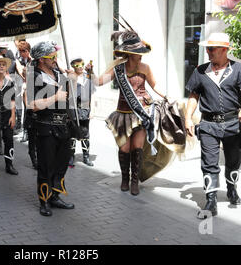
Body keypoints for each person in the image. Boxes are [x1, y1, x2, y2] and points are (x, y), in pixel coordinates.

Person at [88, 29, 167, 195]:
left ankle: (134, 181)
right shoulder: (118, 69)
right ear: (129, 54)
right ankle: (124, 178)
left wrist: (167, 95)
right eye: (138, 53)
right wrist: (90, 72)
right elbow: (99, 82)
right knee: (124, 149)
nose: (141, 56)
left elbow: (155, 85)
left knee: (137, 148)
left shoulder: (146, 68)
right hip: (122, 113)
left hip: (141, 112)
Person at [185, 32, 241, 219]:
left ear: (224, 50)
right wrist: (188, 118)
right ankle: (211, 199)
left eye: (212, 49)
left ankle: (232, 189)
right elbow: (193, 96)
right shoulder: (200, 71)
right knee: (209, 163)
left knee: (233, 161)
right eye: (207, 48)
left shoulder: (239, 69)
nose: (208, 52)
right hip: (208, 124)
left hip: (233, 123)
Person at [26, 41, 75, 217]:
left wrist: (72, 79)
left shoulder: (57, 73)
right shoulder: (33, 76)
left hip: (63, 127)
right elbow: (32, 105)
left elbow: (70, 97)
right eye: (51, 56)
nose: (55, 58)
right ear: (41, 59)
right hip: (46, 128)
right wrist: (55, 97)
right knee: (46, 166)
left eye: (55, 55)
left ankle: (55, 196)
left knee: (61, 165)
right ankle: (44, 201)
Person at [68, 57, 96, 167]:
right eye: (77, 65)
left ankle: (86, 156)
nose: (80, 67)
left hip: (84, 108)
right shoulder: (70, 78)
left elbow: (92, 94)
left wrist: (92, 110)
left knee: (85, 133)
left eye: (82, 65)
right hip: (73, 109)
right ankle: (71, 156)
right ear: (73, 67)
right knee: (72, 134)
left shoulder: (88, 78)